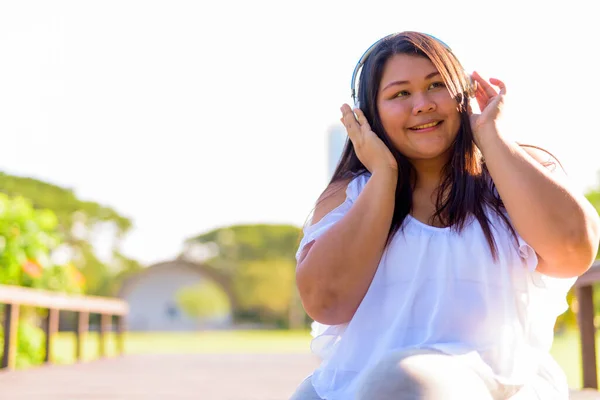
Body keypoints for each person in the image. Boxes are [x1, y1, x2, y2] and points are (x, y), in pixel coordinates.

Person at [290, 31, 600, 399]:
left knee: (406, 380)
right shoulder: (351, 193)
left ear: (463, 94)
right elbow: (325, 302)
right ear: (370, 113)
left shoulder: (516, 174)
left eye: (436, 85)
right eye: (400, 93)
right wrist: (384, 178)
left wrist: (491, 137)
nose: (421, 104)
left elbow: (573, 253)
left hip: (492, 383)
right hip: (360, 387)